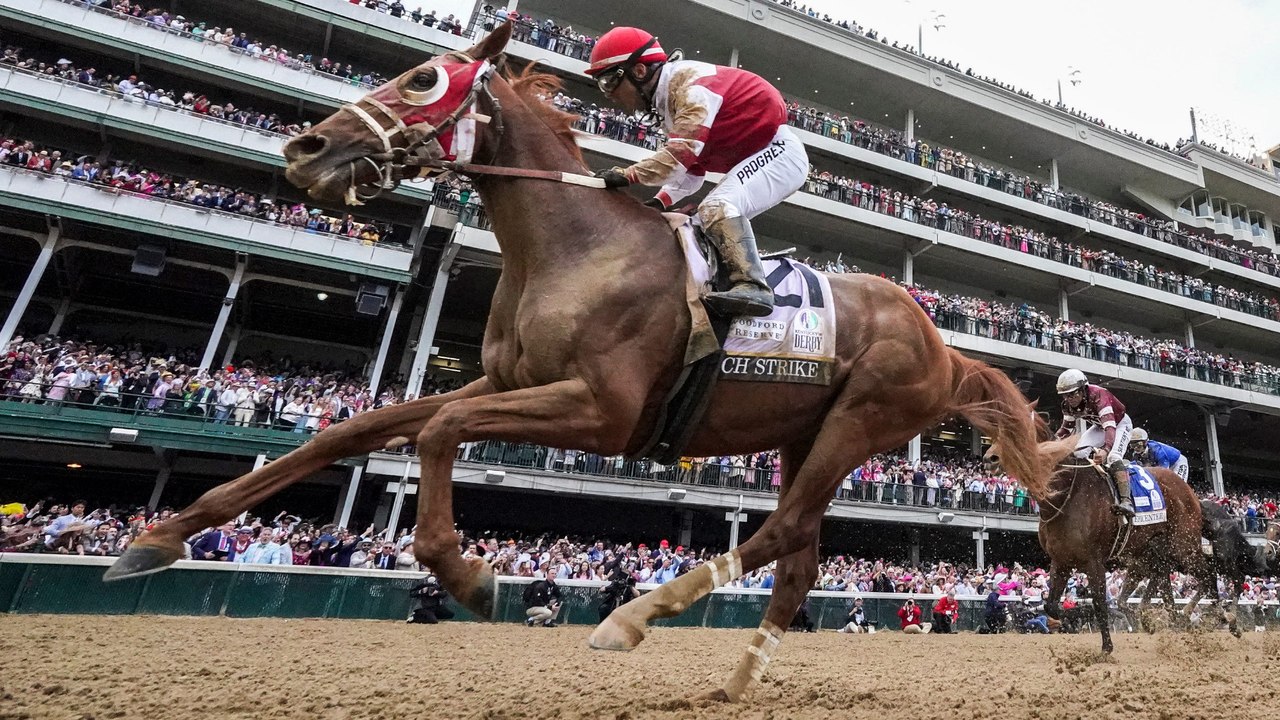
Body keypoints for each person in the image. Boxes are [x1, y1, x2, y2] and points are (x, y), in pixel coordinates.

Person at [584, 27, 809, 318]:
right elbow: (692, 171)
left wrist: (627, 175)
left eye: (608, 82)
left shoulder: (690, 87)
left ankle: (754, 287)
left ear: (638, 71)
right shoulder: (667, 99)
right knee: (697, 223)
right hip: (763, 153)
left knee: (716, 207)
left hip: (780, 153)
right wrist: (658, 203)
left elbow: (678, 158)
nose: (609, 95)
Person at [1054, 368, 1135, 518]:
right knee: (1078, 452)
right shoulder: (1067, 406)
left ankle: (1126, 501)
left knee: (1113, 457)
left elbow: (1110, 427)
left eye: (1072, 394)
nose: (1068, 398)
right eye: (1065, 395)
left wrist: (1106, 449)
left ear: (1082, 389)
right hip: (1099, 427)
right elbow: (1066, 429)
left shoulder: (1099, 395)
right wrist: (1051, 444)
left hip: (1120, 424)